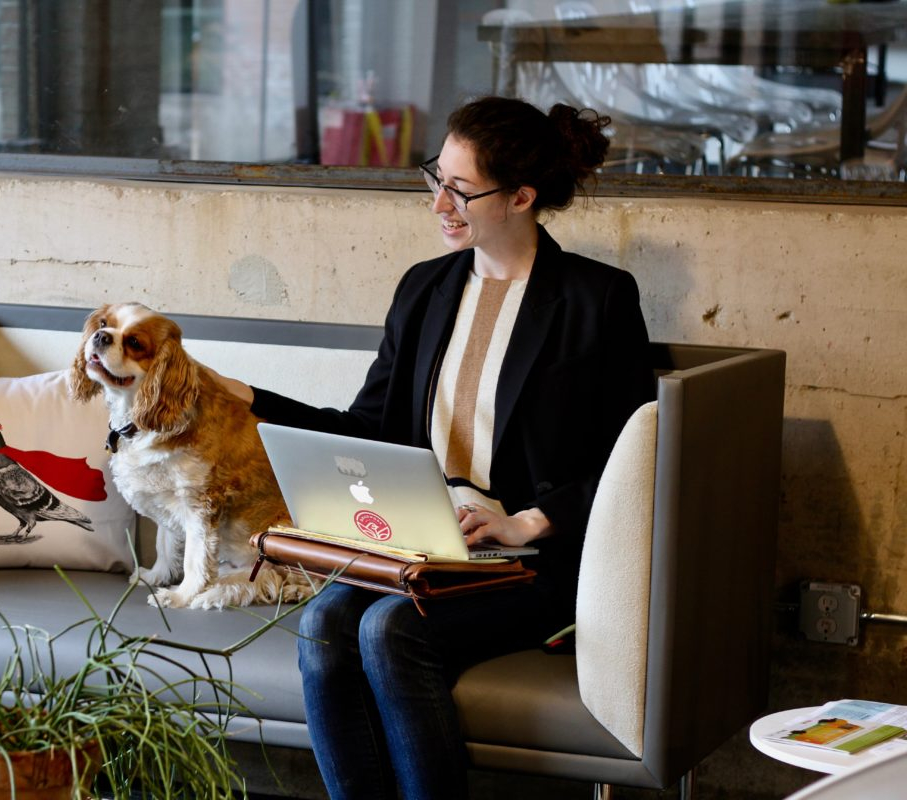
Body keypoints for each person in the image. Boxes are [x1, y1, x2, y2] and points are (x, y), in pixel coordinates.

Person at [216, 96, 656, 799]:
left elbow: (631, 463)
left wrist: (526, 521)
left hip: (530, 560)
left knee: (392, 631)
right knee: (325, 621)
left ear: (520, 196)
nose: (438, 203)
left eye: (460, 188)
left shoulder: (595, 300)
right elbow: (370, 427)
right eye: (435, 178)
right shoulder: (424, 290)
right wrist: (251, 400)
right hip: (425, 544)